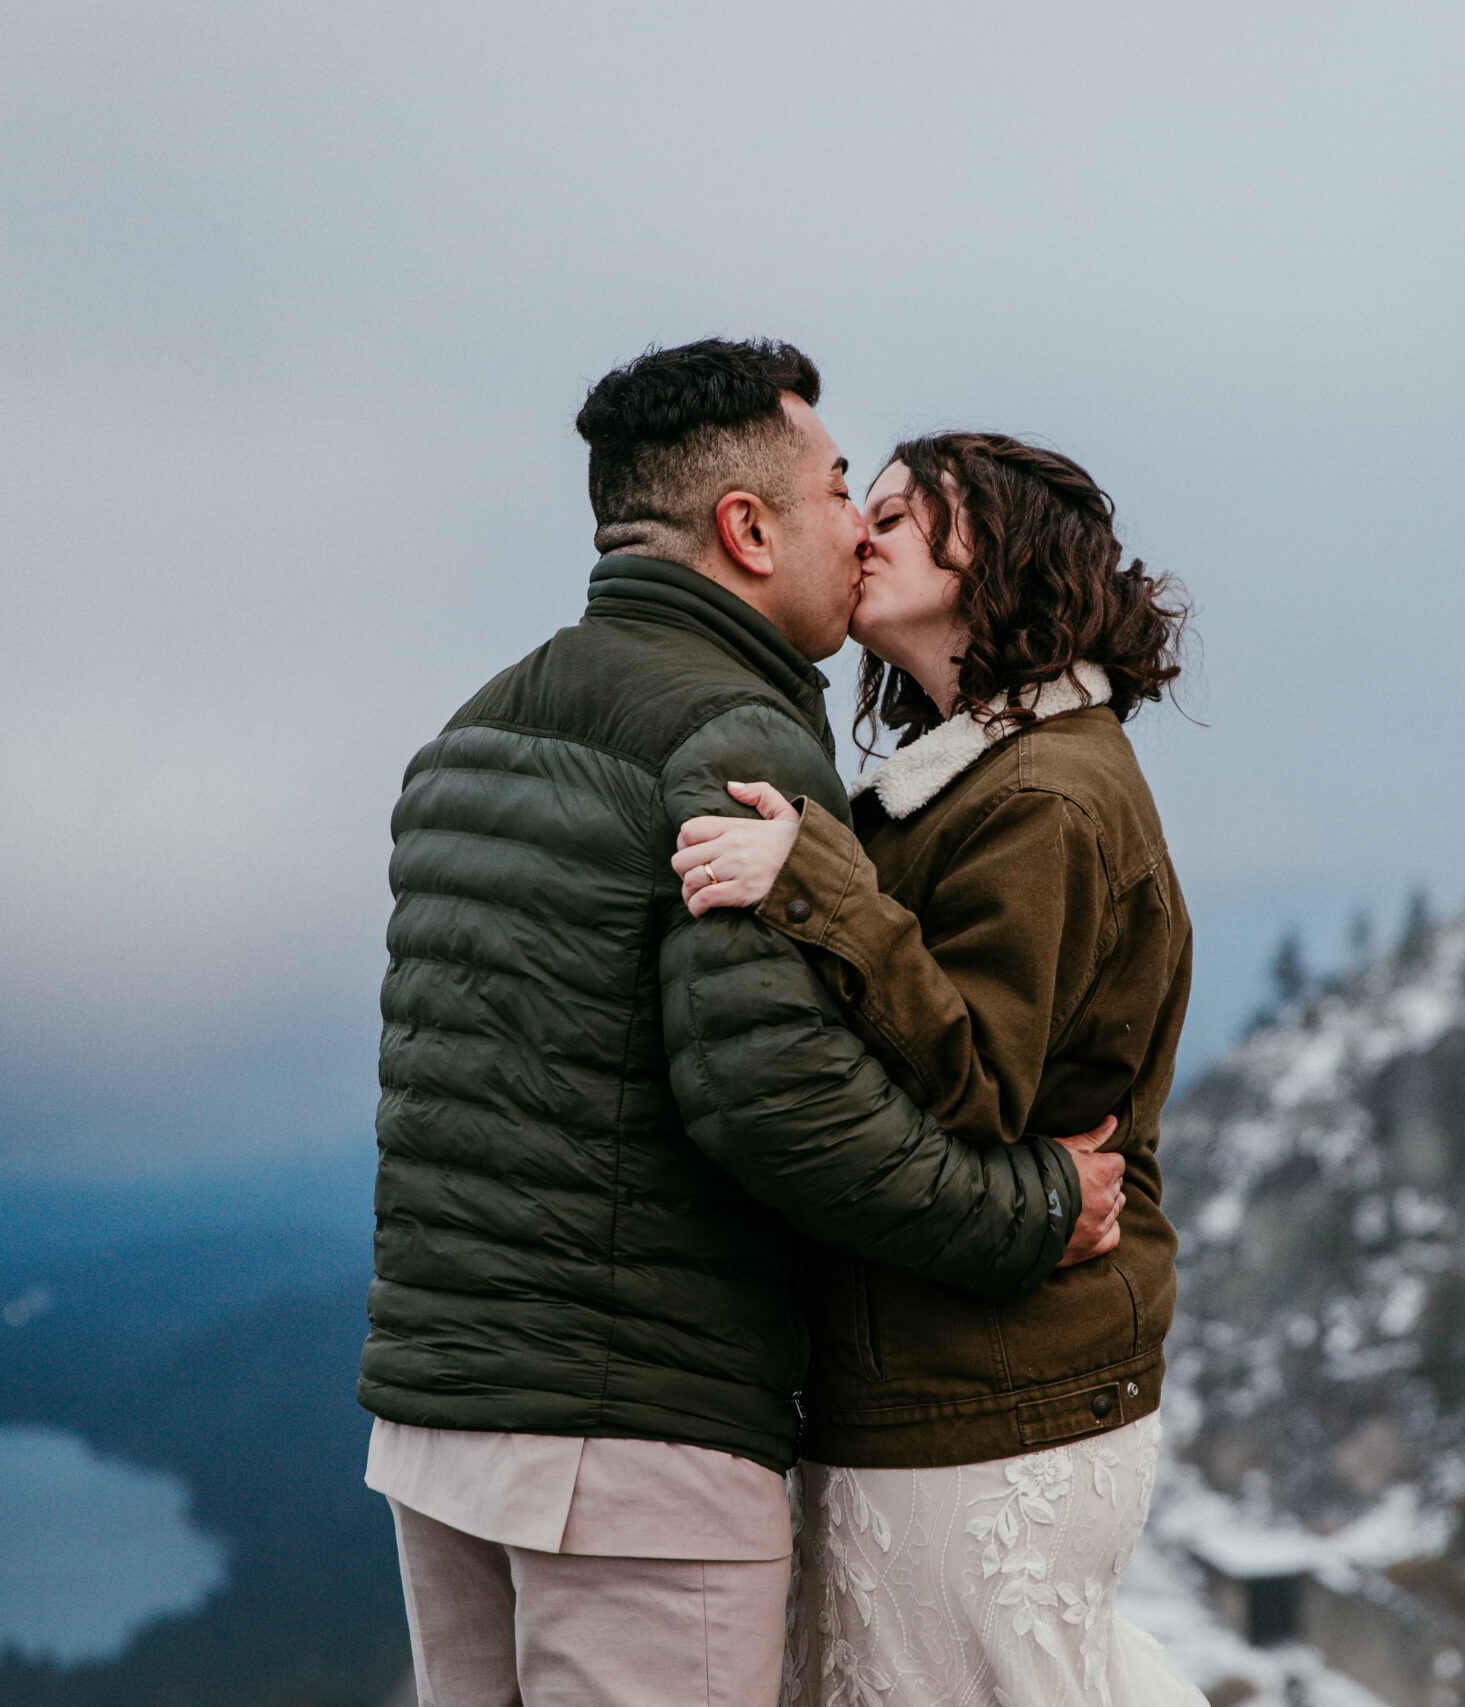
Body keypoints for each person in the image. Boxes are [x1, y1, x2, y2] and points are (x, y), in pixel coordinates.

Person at [358, 342, 1129, 1707]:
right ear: (747, 527)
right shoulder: (733, 735)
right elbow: (777, 1099)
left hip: (437, 1420)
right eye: (841, 487)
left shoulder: (471, 728)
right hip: (633, 1443)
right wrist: (1030, 1207)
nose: (859, 518)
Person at [671, 432, 1200, 1706]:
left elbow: (974, 1080)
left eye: (904, 516)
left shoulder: (1046, 800)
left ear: (996, 561)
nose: (865, 534)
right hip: (954, 1381)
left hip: (988, 1399)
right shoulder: (975, 777)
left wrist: (813, 879)